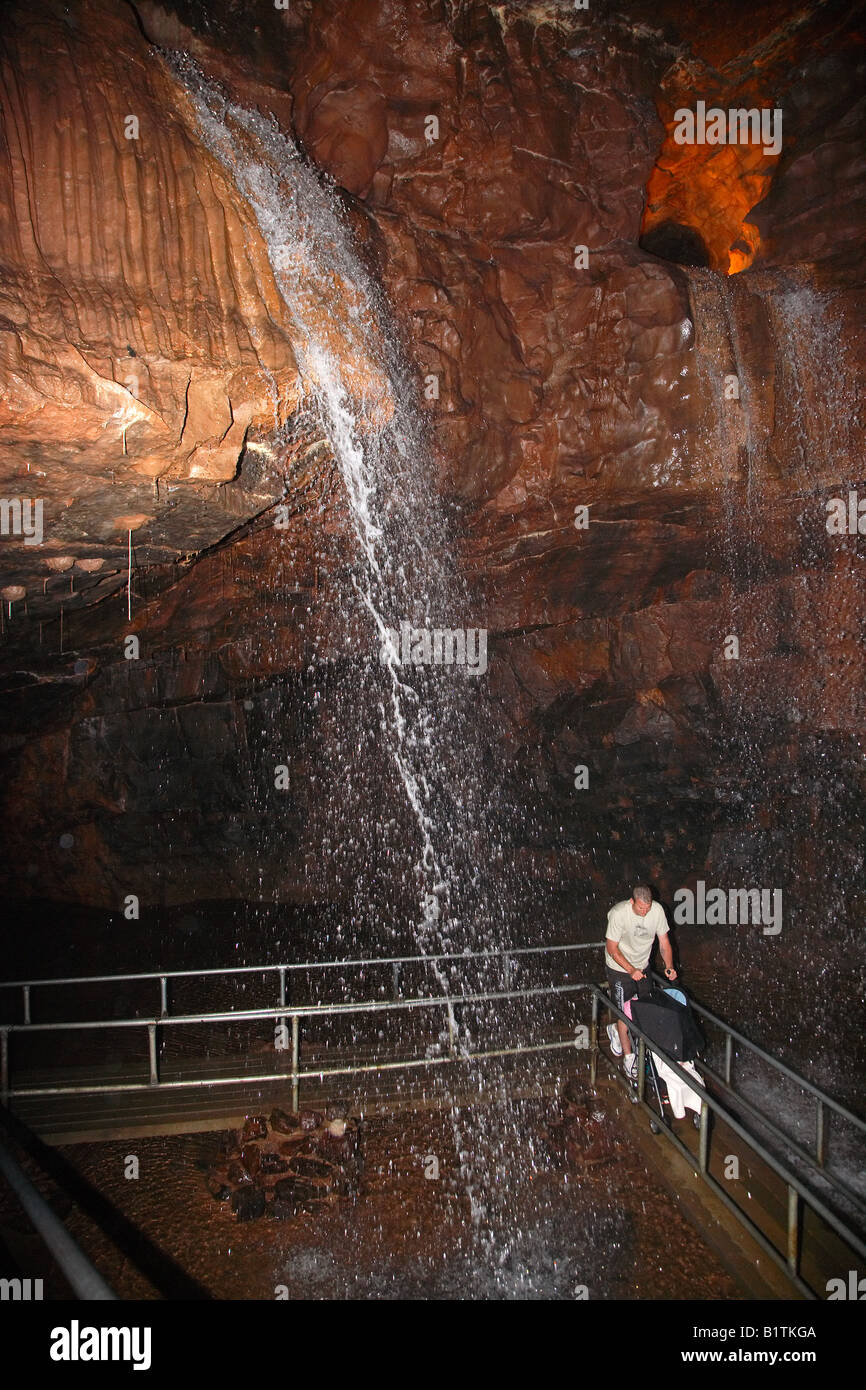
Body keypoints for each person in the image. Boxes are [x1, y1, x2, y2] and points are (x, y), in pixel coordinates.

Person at [605, 885, 677, 1081]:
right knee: (624, 1015)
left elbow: (664, 942)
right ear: (632, 902)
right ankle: (629, 1058)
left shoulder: (658, 911)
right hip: (619, 968)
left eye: (648, 908)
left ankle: (616, 1030)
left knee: (645, 1009)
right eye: (640, 909)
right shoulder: (620, 913)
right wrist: (630, 970)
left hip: (643, 967)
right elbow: (611, 947)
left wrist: (669, 966)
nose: (644, 912)